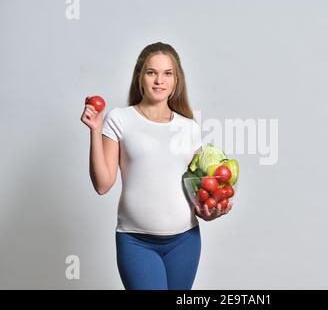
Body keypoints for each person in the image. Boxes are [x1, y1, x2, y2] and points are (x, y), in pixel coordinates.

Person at [80, 42, 233, 290]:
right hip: (136, 242)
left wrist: (210, 210)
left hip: (185, 242)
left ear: (176, 81)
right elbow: (102, 184)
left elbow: (199, 190)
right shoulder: (120, 119)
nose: (159, 80)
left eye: (167, 73)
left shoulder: (189, 128)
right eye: (151, 72)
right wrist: (95, 131)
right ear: (140, 78)